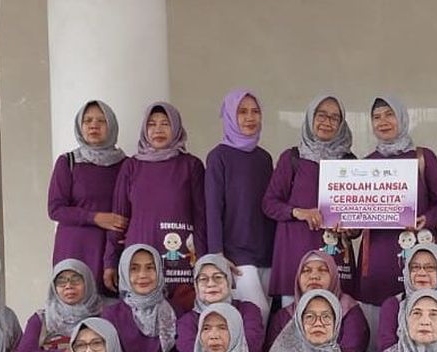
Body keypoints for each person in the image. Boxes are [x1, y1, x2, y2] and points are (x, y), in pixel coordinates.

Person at [357, 95, 437, 324]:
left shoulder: (422, 157)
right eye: (376, 117)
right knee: (378, 323)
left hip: (418, 251)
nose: (383, 121)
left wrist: (425, 220)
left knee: (420, 314)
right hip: (378, 254)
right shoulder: (366, 164)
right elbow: (357, 213)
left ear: (402, 118)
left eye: (390, 115)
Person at [105, 102, 206, 296]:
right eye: (151, 124)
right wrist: (110, 261)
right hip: (139, 260)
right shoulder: (131, 166)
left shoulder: (191, 165)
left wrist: (203, 260)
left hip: (180, 261)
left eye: (165, 124)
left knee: (181, 315)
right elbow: (118, 219)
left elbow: (201, 218)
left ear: (176, 127)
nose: (158, 130)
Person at [263, 94, 355, 303]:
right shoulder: (292, 158)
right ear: (310, 119)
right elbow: (269, 203)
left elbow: (356, 220)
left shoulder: (350, 163)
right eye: (321, 115)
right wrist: (300, 212)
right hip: (295, 252)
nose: (327, 122)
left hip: (335, 255)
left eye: (334, 117)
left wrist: (350, 226)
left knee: (336, 318)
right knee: (293, 320)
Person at [205, 90, 274, 320]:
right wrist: (217, 254)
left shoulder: (264, 158)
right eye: (242, 112)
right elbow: (213, 207)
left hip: (266, 250)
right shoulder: (218, 157)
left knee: (267, 315)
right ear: (230, 116)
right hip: (236, 253)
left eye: (255, 112)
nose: (250, 117)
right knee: (256, 312)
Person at [47, 99, 128, 293]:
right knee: (73, 302)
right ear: (80, 126)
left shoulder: (126, 165)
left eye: (101, 121)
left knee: (109, 311)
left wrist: (112, 256)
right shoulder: (69, 162)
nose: (94, 125)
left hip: (109, 249)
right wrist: (95, 217)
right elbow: (56, 209)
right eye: (88, 120)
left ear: (112, 126)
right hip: (75, 248)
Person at [265, 250, 371, 352]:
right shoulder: (284, 316)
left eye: (323, 270)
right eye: (306, 270)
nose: (314, 276)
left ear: (334, 276)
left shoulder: (349, 311)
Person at [101, 244, 178, 352]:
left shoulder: (174, 310)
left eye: (150, 268)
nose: (143, 275)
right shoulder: (112, 315)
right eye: (134, 269)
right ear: (123, 273)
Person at [375, 243, 437, 352]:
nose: (421, 273)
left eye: (430, 268)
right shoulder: (394, 305)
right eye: (415, 267)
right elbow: (387, 349)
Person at [14, 259, 104, 352]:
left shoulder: (101, 317)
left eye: (76, 280)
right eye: (61, 281)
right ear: (54, 287)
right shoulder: (42, 319)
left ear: (88, 282)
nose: (68, 286)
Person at [175, 254, 266, 352]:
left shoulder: (248, 311)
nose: (211, 284)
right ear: (196, 285)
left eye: (218, 277)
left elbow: (252, 344)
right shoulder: (188, 321)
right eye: (203, 279)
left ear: (228, 281)